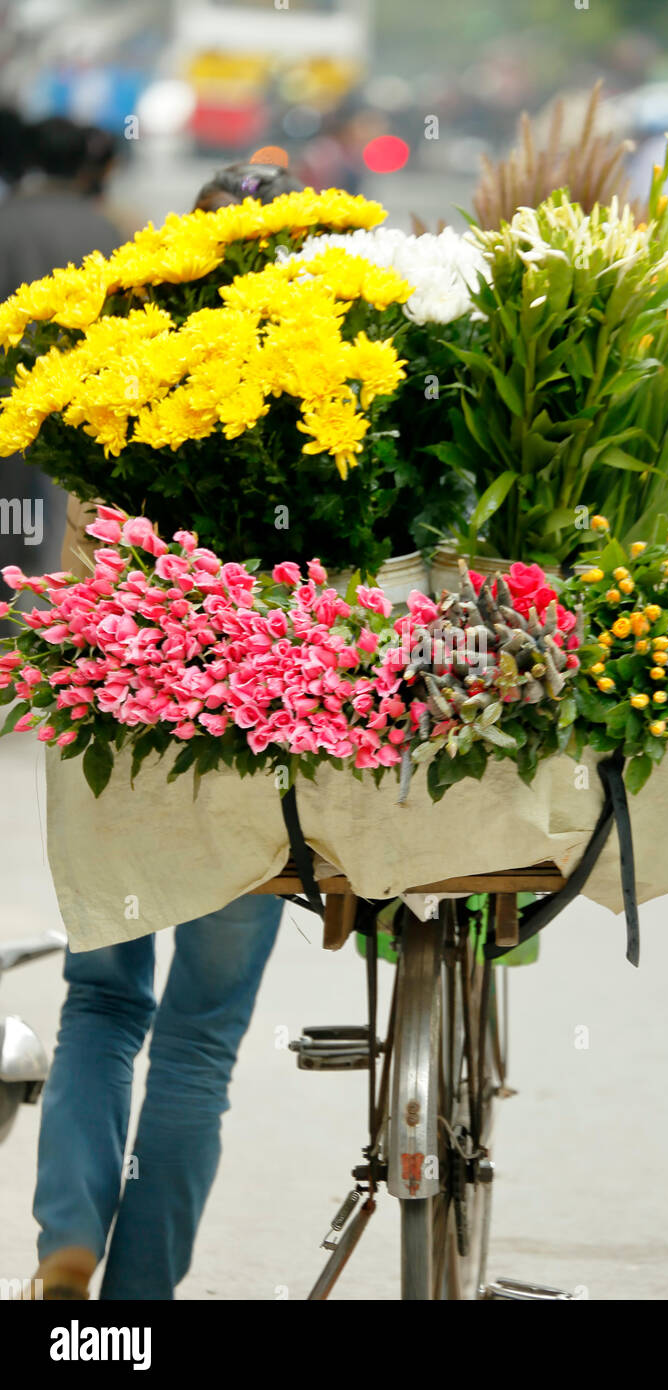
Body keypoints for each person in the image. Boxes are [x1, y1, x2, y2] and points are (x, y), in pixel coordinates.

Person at [31, 158, 302, 1301]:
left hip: (112, 724)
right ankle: (138, 1308)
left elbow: (74, 555)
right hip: (254, 724)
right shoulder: (316, 389)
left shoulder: (111, 375)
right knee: (198, 1041)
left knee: (102, 1000)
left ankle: (70, 1232)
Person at [0, 118, 125, 631]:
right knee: (59, 515)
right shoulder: (102, 227)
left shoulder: (7, 218)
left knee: (12, 505)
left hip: (7, 398)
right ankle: (48, 621)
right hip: (74, 402)